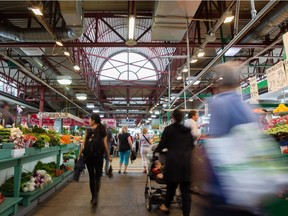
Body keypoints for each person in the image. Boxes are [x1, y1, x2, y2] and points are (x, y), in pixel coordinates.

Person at [207, 61, 256, 216]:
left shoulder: (218, 103)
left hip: (225, 185)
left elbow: (214, 143)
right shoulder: (247, 108)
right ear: (237, 82)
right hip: (249, 187)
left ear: (220, 82)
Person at [154, 109, 194, 216]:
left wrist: (156, 153)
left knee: (171, 187)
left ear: (173, 117)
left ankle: (166, 206)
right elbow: (192, 146)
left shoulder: (168, 130)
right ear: (182, 118)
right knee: (185, 191)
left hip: (173, 163)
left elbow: (161, 145)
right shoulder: (187, 130)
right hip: (186, 164)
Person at [77, 113, 112, 206]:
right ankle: (96, 195)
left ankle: (93, 197)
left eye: (90, 119)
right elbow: (105, 144)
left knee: (91, 176)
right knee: (97, 176)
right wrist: (108, 156)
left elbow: (83, 144)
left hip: (88, 156)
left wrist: (79, 155)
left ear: (93, 120)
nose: (89, 121)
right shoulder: (102, 129)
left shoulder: (88, 130)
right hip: (99, 156)